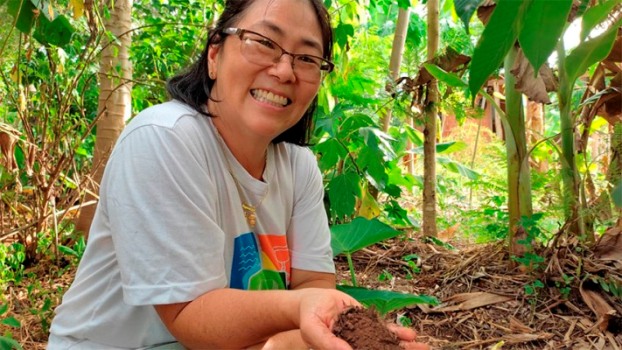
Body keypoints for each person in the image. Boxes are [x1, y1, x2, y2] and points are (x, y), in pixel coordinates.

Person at [48, 0, 430, 349]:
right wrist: (296, 325)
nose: (284, 70)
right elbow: (189, 315)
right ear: (215, 54)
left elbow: (313, 287)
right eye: (263, 42)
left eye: (307, 59)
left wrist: (350, 336)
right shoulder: (165, 140)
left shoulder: (299, 168)